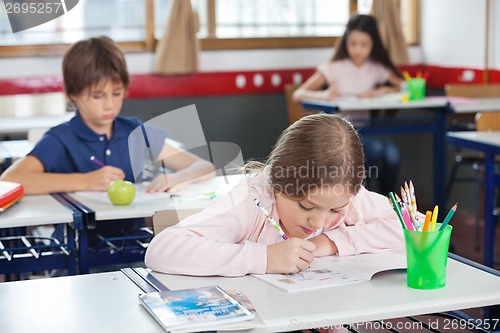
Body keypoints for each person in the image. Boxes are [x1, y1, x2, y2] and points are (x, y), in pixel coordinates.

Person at [0, 36, 215, 247]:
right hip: (76, 252)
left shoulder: (134, 131)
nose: (109, 105)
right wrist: (85, 181)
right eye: (97, 96)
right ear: (72, 94)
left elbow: (205, 167)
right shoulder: (62, 138)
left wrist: (179, 177)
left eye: (117, 93)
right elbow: (11, 179)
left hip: (133, 247)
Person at [145, 114, 404, 277]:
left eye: (335, 211)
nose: (319, 222)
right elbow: (161, 250)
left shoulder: (341, 195)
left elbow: (412, 225)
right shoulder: (251, 201)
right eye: (306, 206)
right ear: (278, 182)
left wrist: (330, 241)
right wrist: (265, 258)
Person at [292, 14, 404, 195]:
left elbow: (403, 86)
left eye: (364, 44)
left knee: (392, 154)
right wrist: (324, 95)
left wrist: (381, 90)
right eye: (353, 43)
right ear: (345, 42)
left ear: (373, 45)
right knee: (374, 150)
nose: (357, 49)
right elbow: (298, 94)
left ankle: (386, 203)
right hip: (340, 135)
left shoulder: (375, 67)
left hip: (367, 131)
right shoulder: (333, 67)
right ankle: (359, 198)